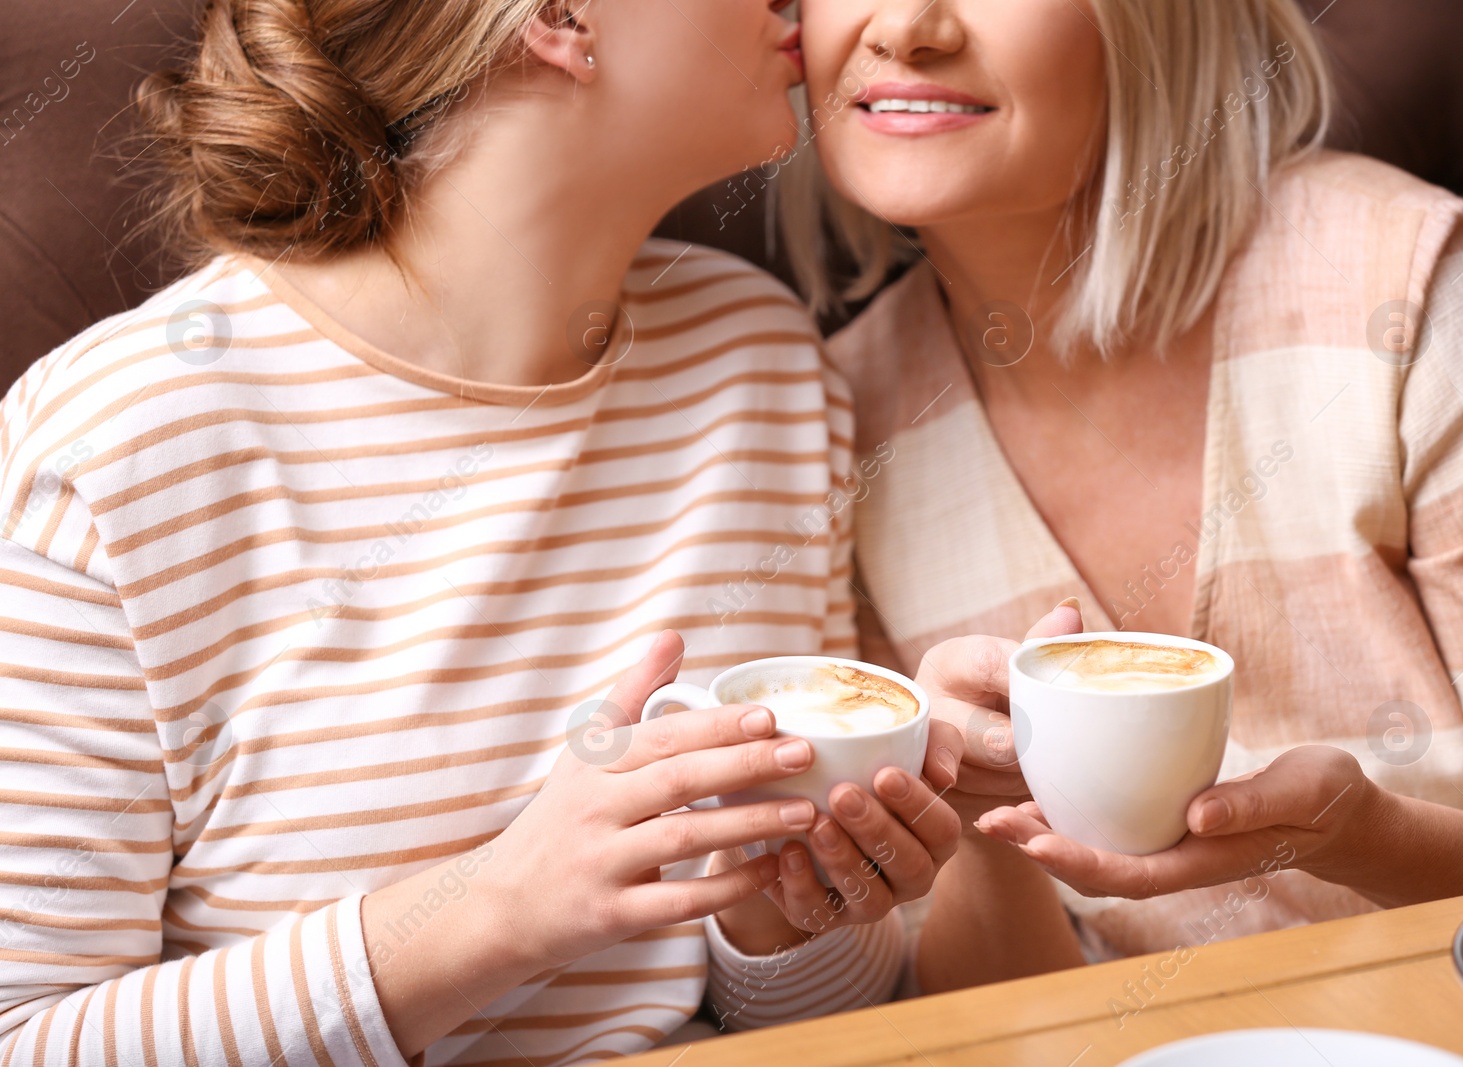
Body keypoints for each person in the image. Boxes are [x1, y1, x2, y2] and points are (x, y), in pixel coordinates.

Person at [0, 1, 962, 1063]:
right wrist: (493, 913)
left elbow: (821, 1026)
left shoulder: (757, 360)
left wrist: (784, 912)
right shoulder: (122, 449)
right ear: (558, 18)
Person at [790, 0, 1463, 993]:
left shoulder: (1414, 294)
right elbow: (981, 1029)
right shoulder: (836, 414)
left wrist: (1364, 836)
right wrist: (976, 825)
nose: (911, 27)